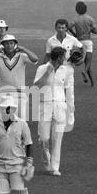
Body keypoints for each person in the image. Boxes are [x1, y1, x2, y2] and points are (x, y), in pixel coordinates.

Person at [0, 34, 39, 120]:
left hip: (20, 92)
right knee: (5, 120)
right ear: (3, 45)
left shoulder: (22, 56)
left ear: (15, 44)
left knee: (21, 120)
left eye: (11, 43)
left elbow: (35, 59)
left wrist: (24, 49)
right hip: (4, 93)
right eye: (6, 44)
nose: (9, 46)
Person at [33, 47, 71, 176]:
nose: (65, 59)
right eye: (63, 57)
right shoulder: (42, 68)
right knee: (43, 138)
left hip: (60, 105)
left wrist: (68, 107)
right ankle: (47, 162)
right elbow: (38, 84)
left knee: (57, 138)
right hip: (45, 105)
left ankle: (55, 167)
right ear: (58, 57)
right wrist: (48, 72)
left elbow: (66, 88)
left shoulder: (65, 70)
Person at [44, 19, 85, 132]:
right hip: (55, 70)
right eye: (59, 27)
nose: (61, 30)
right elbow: (47, 55)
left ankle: (70, 122)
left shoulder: (72, 39)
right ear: (55, 28)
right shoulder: (50, 41)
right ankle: (57, 118)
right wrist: (44, 69)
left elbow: (82, 47)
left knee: (69, 96)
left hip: (68, 69)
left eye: (63, 28)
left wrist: (82, 59)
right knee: (56, 95)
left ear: (66, 28)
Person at [68, 1, 97, 87]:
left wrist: (74, 34)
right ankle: (85, 73)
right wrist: (90, 29)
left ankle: (92, 83)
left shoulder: (75, 19)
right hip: (88, 41)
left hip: (79, 42)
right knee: (88, 62)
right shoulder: (90, 19)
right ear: (86, 9)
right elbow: (95, 31)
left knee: (87, 63)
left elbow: (69, 26)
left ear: (76, 10)